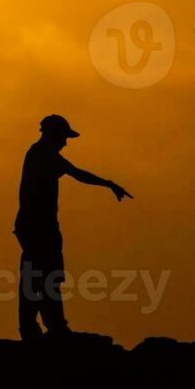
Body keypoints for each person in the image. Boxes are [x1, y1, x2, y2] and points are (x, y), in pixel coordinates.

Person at [13, 114, 133, 340]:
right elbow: (78, 174)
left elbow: (77, 174)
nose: (65, 143)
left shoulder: (44, 155)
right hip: (38, 228)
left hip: (36, 227)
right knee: (42, 276)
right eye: (63, 137)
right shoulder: (43, 156)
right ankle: (47, 327)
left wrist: (108, 184)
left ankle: (42, 326)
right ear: (53, 136)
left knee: (42, 276)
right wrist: (108, 184)